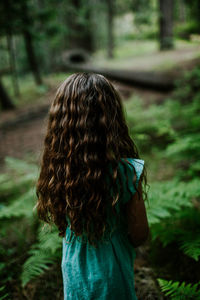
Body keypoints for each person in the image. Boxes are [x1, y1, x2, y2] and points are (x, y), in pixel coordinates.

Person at [36, 72, 149, 300]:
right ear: (112, 118)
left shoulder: (59, 172)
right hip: (113, 273)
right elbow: (139, 235)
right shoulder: (126, 173)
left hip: (74, 271)